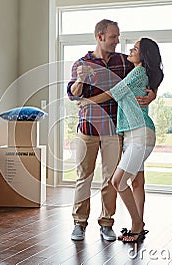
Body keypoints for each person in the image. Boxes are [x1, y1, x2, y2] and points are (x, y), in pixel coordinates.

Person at [67, 19, 156, 241]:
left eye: (118, 36)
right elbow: (72, 94)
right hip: (87, 128)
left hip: (113, 129)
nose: (118, 41)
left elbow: (146, 71)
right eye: (114, 37)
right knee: (83, 177)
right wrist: (80, 80)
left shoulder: (123, 62)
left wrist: (153, 92)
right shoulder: (82, 63)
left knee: (110, 179)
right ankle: (79, 223)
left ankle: (106, 223)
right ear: (100, 37)